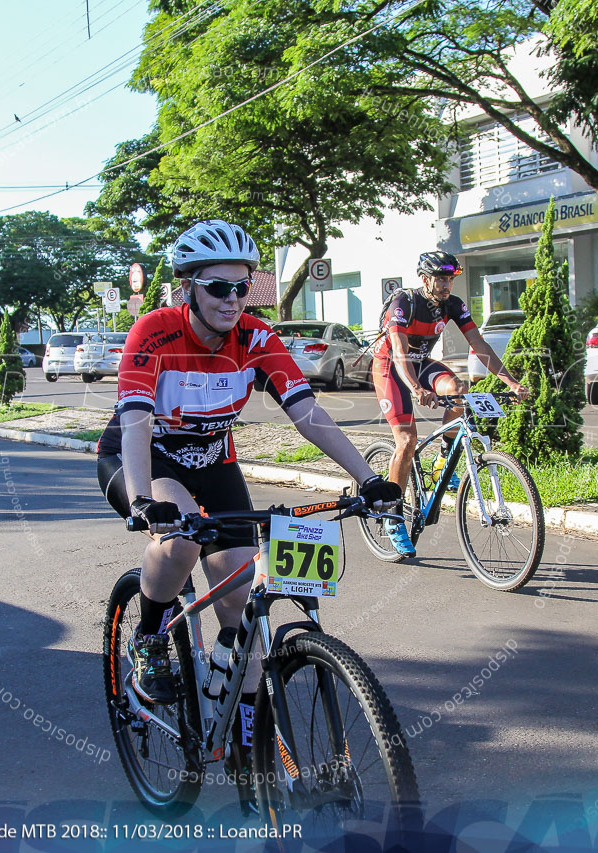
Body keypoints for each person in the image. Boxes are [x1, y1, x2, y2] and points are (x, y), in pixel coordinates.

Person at [96, 219, 402, 785]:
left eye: (242, 287)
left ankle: (236, 725)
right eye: (218, 287)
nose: (232, 299)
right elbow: (136, 421)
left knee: (242, 605)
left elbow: (307, 412)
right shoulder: (154, 333)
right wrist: (144, 499)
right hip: (142, 460)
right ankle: (148, 637)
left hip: (214, 463)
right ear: (188, 287)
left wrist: (368, 478)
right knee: (181, 536)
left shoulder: (257, 337)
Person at [372, 250, 529, 557]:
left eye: (450, 280)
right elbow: (400, 352)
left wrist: (510, 382)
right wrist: (417, 388)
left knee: (459, 390)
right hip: (392, 365)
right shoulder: (404, 303)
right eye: (440, 279)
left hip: (421, 362)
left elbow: (479, 345)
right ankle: (391, 514)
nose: (446, 286)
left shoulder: (453, 305)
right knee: (406, 440)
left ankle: (444, 456)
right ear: (425, 278)